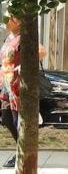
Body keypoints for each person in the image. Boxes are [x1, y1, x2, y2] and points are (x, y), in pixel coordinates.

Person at [0, 16, 20, 168]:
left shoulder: (23, 38)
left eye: (8, 18)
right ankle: (21, 151)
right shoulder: (8, 38)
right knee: (6, 119)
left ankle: (22, 153)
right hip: (5, 85)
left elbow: (41, 51)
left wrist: (22, 67)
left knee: (15, 120)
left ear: (17, 20)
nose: (5, 20)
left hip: (16, 86)